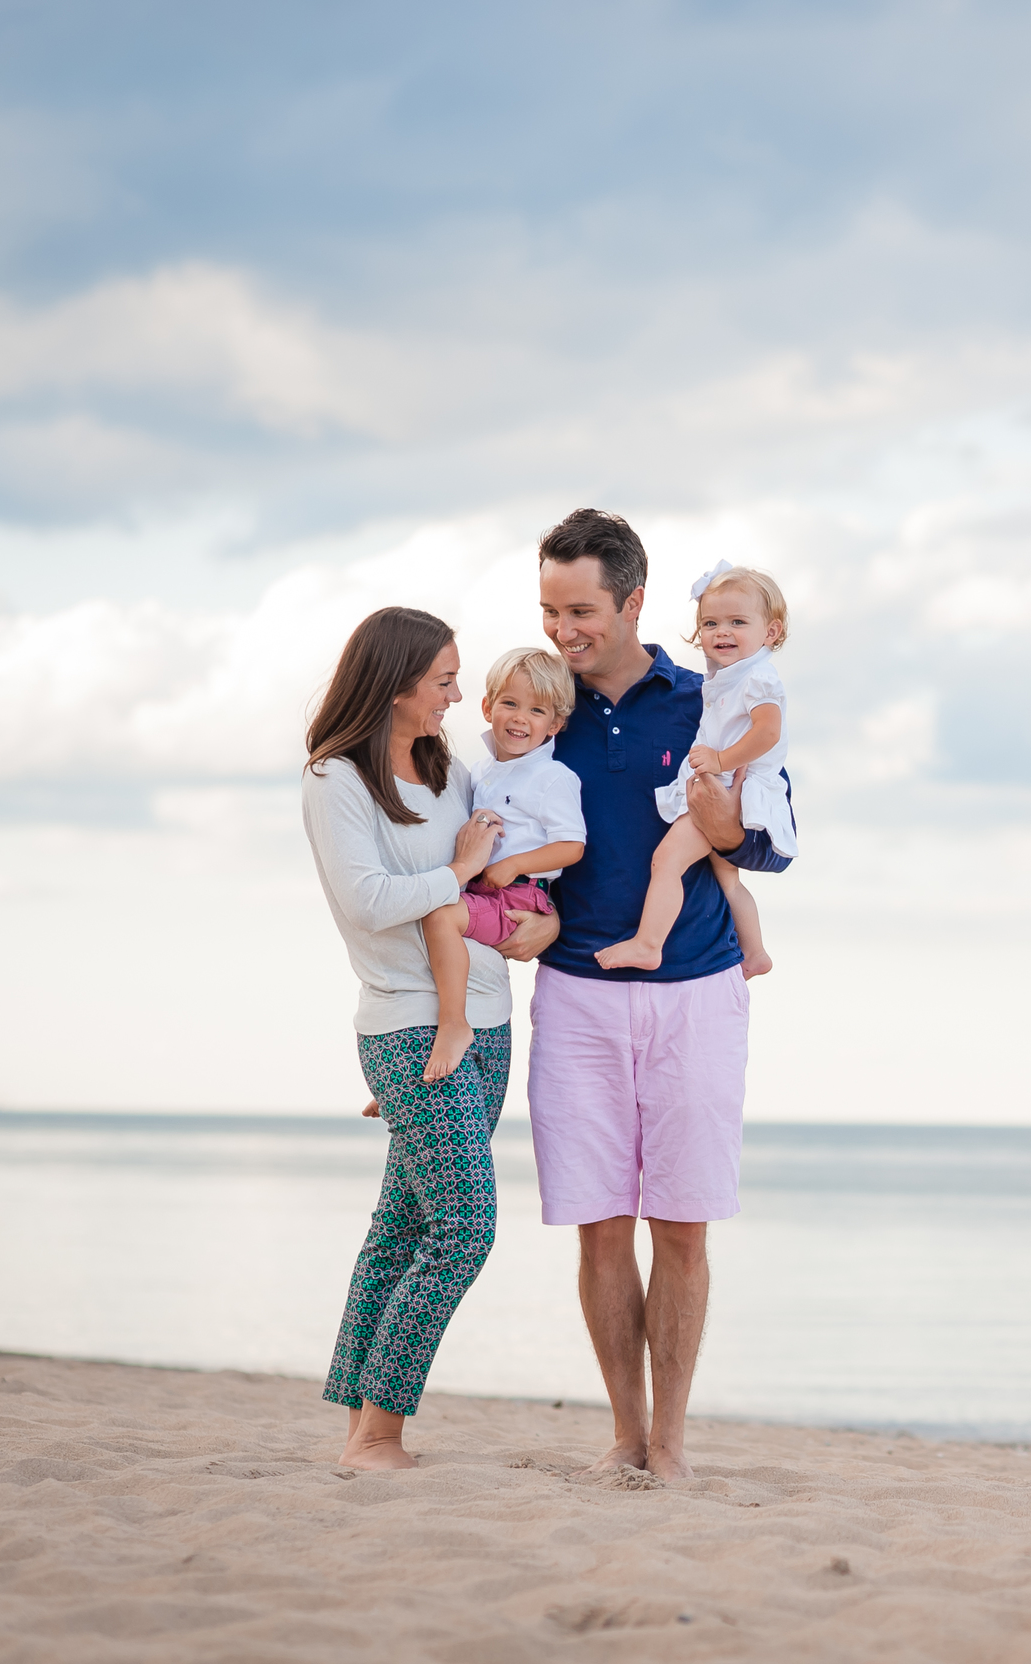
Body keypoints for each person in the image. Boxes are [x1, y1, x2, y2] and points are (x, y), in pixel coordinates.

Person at [527, 508, 795, 1479]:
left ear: (633, 601)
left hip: (696, 988)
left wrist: (722, 814)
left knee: (681, 1223)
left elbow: (770, 837)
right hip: (575, 991)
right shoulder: (534, 709)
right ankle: (624, 1437)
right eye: (551, 609)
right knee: (599, 1223)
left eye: (582, 609)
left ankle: (672, 1447)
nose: (565, 630)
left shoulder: (711, 694)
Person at [298, 606, 553, 1470]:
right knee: (463, 1229)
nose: (458, 694)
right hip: (412, 1023)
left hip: (489, 1025)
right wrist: (458, 869)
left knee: (401, 1227)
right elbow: (369, 901)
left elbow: (495, 889)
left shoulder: (448, 769)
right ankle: (378, 1435)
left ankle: (359, 1432)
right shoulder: (337, 780)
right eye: (444, 678)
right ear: (396, 680)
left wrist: (540, 929)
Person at [594, 561, 792, 978]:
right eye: (710, 622)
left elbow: (768, 733)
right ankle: (755, 953)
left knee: (666, 861)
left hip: (723, 786)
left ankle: (649, 944)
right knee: (729, 882)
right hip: (721, 782)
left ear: (770, 632)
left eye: (738, 622)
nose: (722, 632)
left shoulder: (758, 679)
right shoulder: (728, 679)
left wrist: (720, 761)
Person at [417, 646, 588, 1080]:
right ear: (487, 706)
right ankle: (404, 1075)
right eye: (510, 703)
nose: (520, 718)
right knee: (423, 946)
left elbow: (572, 846)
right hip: (483, 889)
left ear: (556, 724)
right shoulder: (480, 772)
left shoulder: (553, 779)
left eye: (536, 710)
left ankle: (454, 1027)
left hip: (517, 895)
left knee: (439, 919)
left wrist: (513, 866)